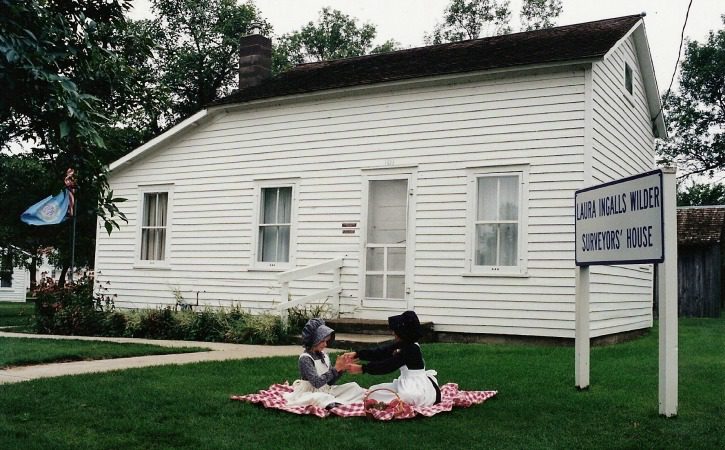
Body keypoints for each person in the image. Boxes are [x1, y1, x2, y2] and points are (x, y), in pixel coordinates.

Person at [346, 310, 441, 407]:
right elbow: (381, 353)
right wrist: (358, 354)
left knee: (406, 396)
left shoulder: (411, 349)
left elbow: (388, 365)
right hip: (405, 383)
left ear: (404, 332)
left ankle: (398, 402)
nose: (394, 334)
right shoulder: (404, 344)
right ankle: (393, 401)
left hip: (416, 386)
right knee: (373, 391)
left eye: (396, 332)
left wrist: (363, 368)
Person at [283, 318, 366, 409]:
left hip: (326, 389)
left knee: (354, 387)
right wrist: (335, 369)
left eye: (326, 341)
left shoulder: (324, 356)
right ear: (314, 340)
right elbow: (317, 383)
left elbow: (330, 382)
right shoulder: (305, 359)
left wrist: (341, 369)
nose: (326, 344)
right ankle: (332, 402)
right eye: (323, 341)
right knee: (319, 397)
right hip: (310, 392)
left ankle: (332, 402)